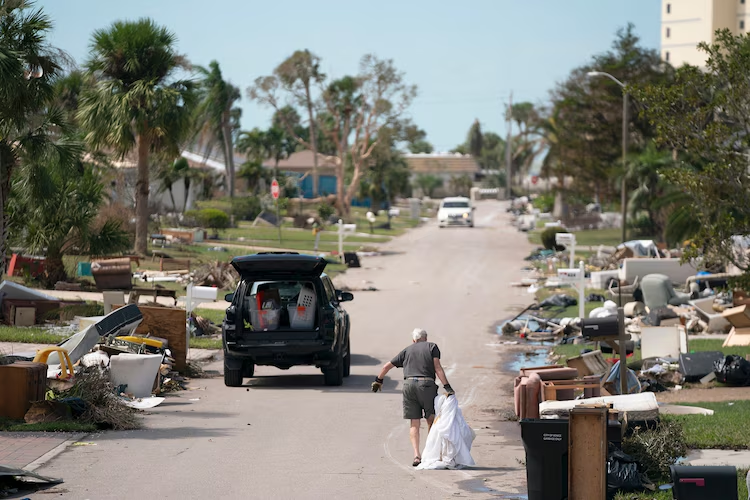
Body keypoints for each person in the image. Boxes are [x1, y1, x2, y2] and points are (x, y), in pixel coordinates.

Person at [371, 328, 454, 467]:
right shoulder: (432, 347)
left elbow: (386, 366)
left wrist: (378, 381)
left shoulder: (407, 350)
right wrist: (447, 387)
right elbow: (438, 368)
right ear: (425, 338)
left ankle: (416, 455)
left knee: (414, 422)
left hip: (409, 385)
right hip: (426, 385)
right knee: (431, 420)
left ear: (413, 340)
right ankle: (432, 454)